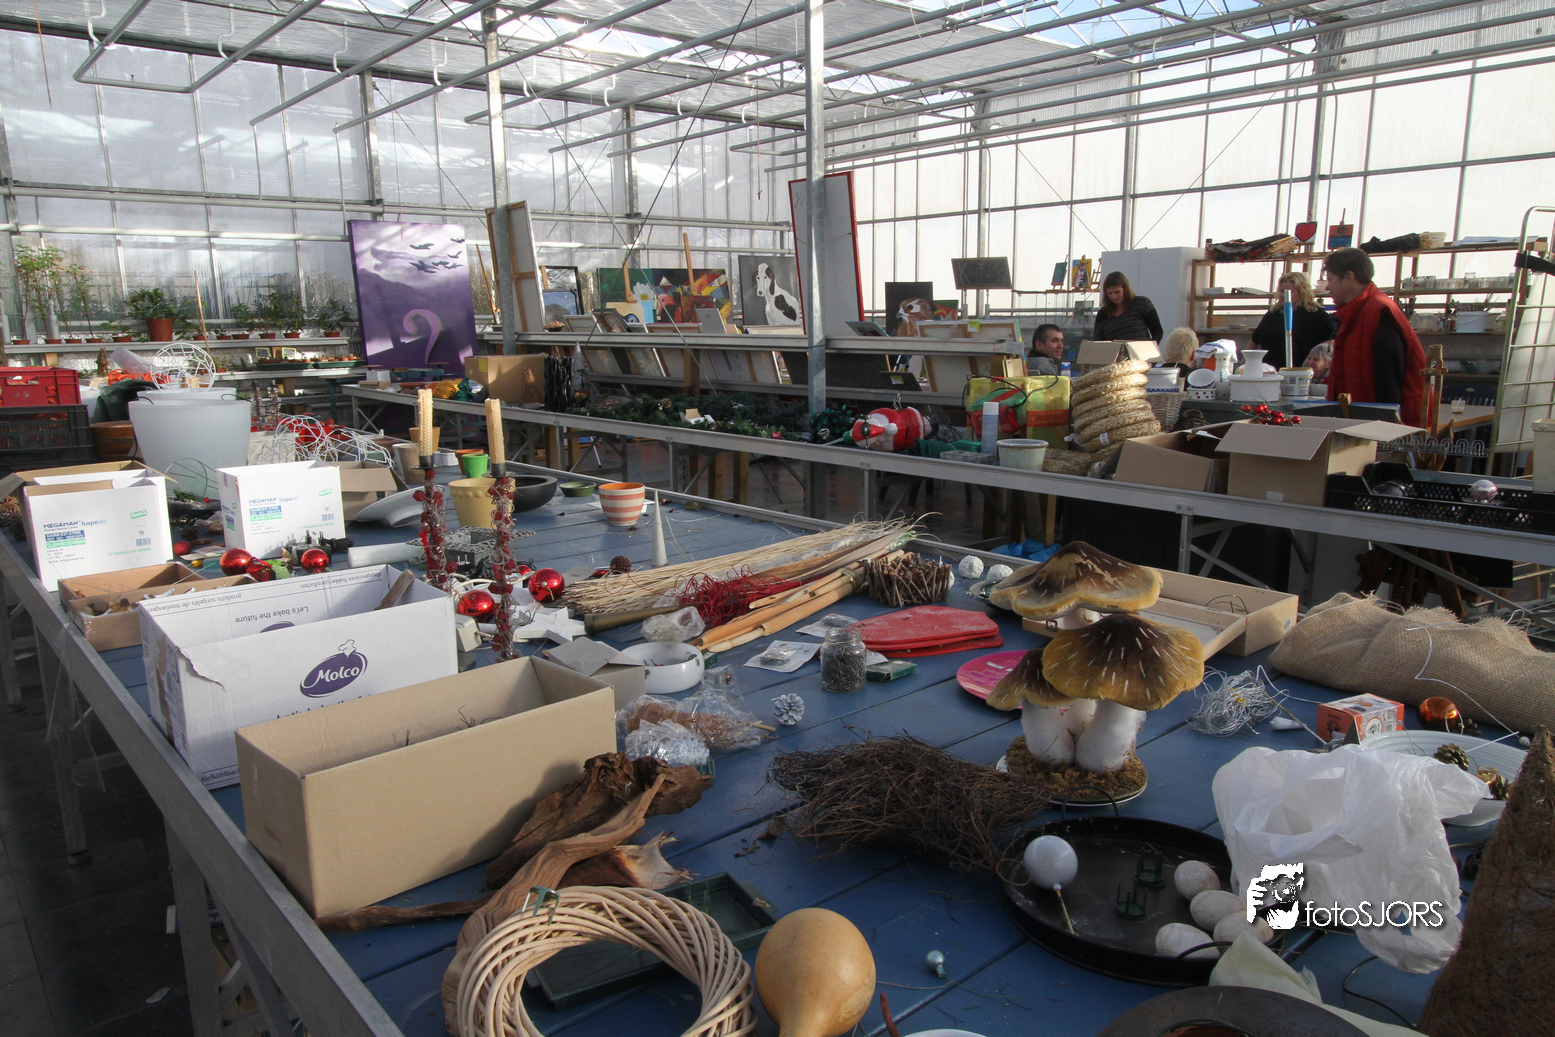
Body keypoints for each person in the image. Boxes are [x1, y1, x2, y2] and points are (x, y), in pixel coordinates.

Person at [1323, 247, 1427, 424]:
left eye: (1330, 279)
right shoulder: (1357, 313)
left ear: (1349, 277)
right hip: (1361, 418)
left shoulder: (1379, 312)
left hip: (1382, 423)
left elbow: (1390, 378)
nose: (1327, 287)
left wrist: (1386, 427)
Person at [1250, 271, 1338, 368]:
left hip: (1301, 370)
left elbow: (1330, 341)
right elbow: (1254, 341)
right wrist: (1245, 366)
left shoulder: (1315, 313)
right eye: (1282, 291)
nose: (1285, 295)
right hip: (1270, 370)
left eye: (1291, 291)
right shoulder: (1273, 313)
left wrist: (1316, 359)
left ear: (1302, 292)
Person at [1093, 271, 1164, 344]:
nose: (1114, 296)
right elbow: (1097, 342)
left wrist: (1150, 348)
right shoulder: (1103, 314)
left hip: (1141, 350)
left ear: (1125, 289)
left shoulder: (1142, 304)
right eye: (1110, 293)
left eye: (1117, 292)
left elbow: (1157, 332)